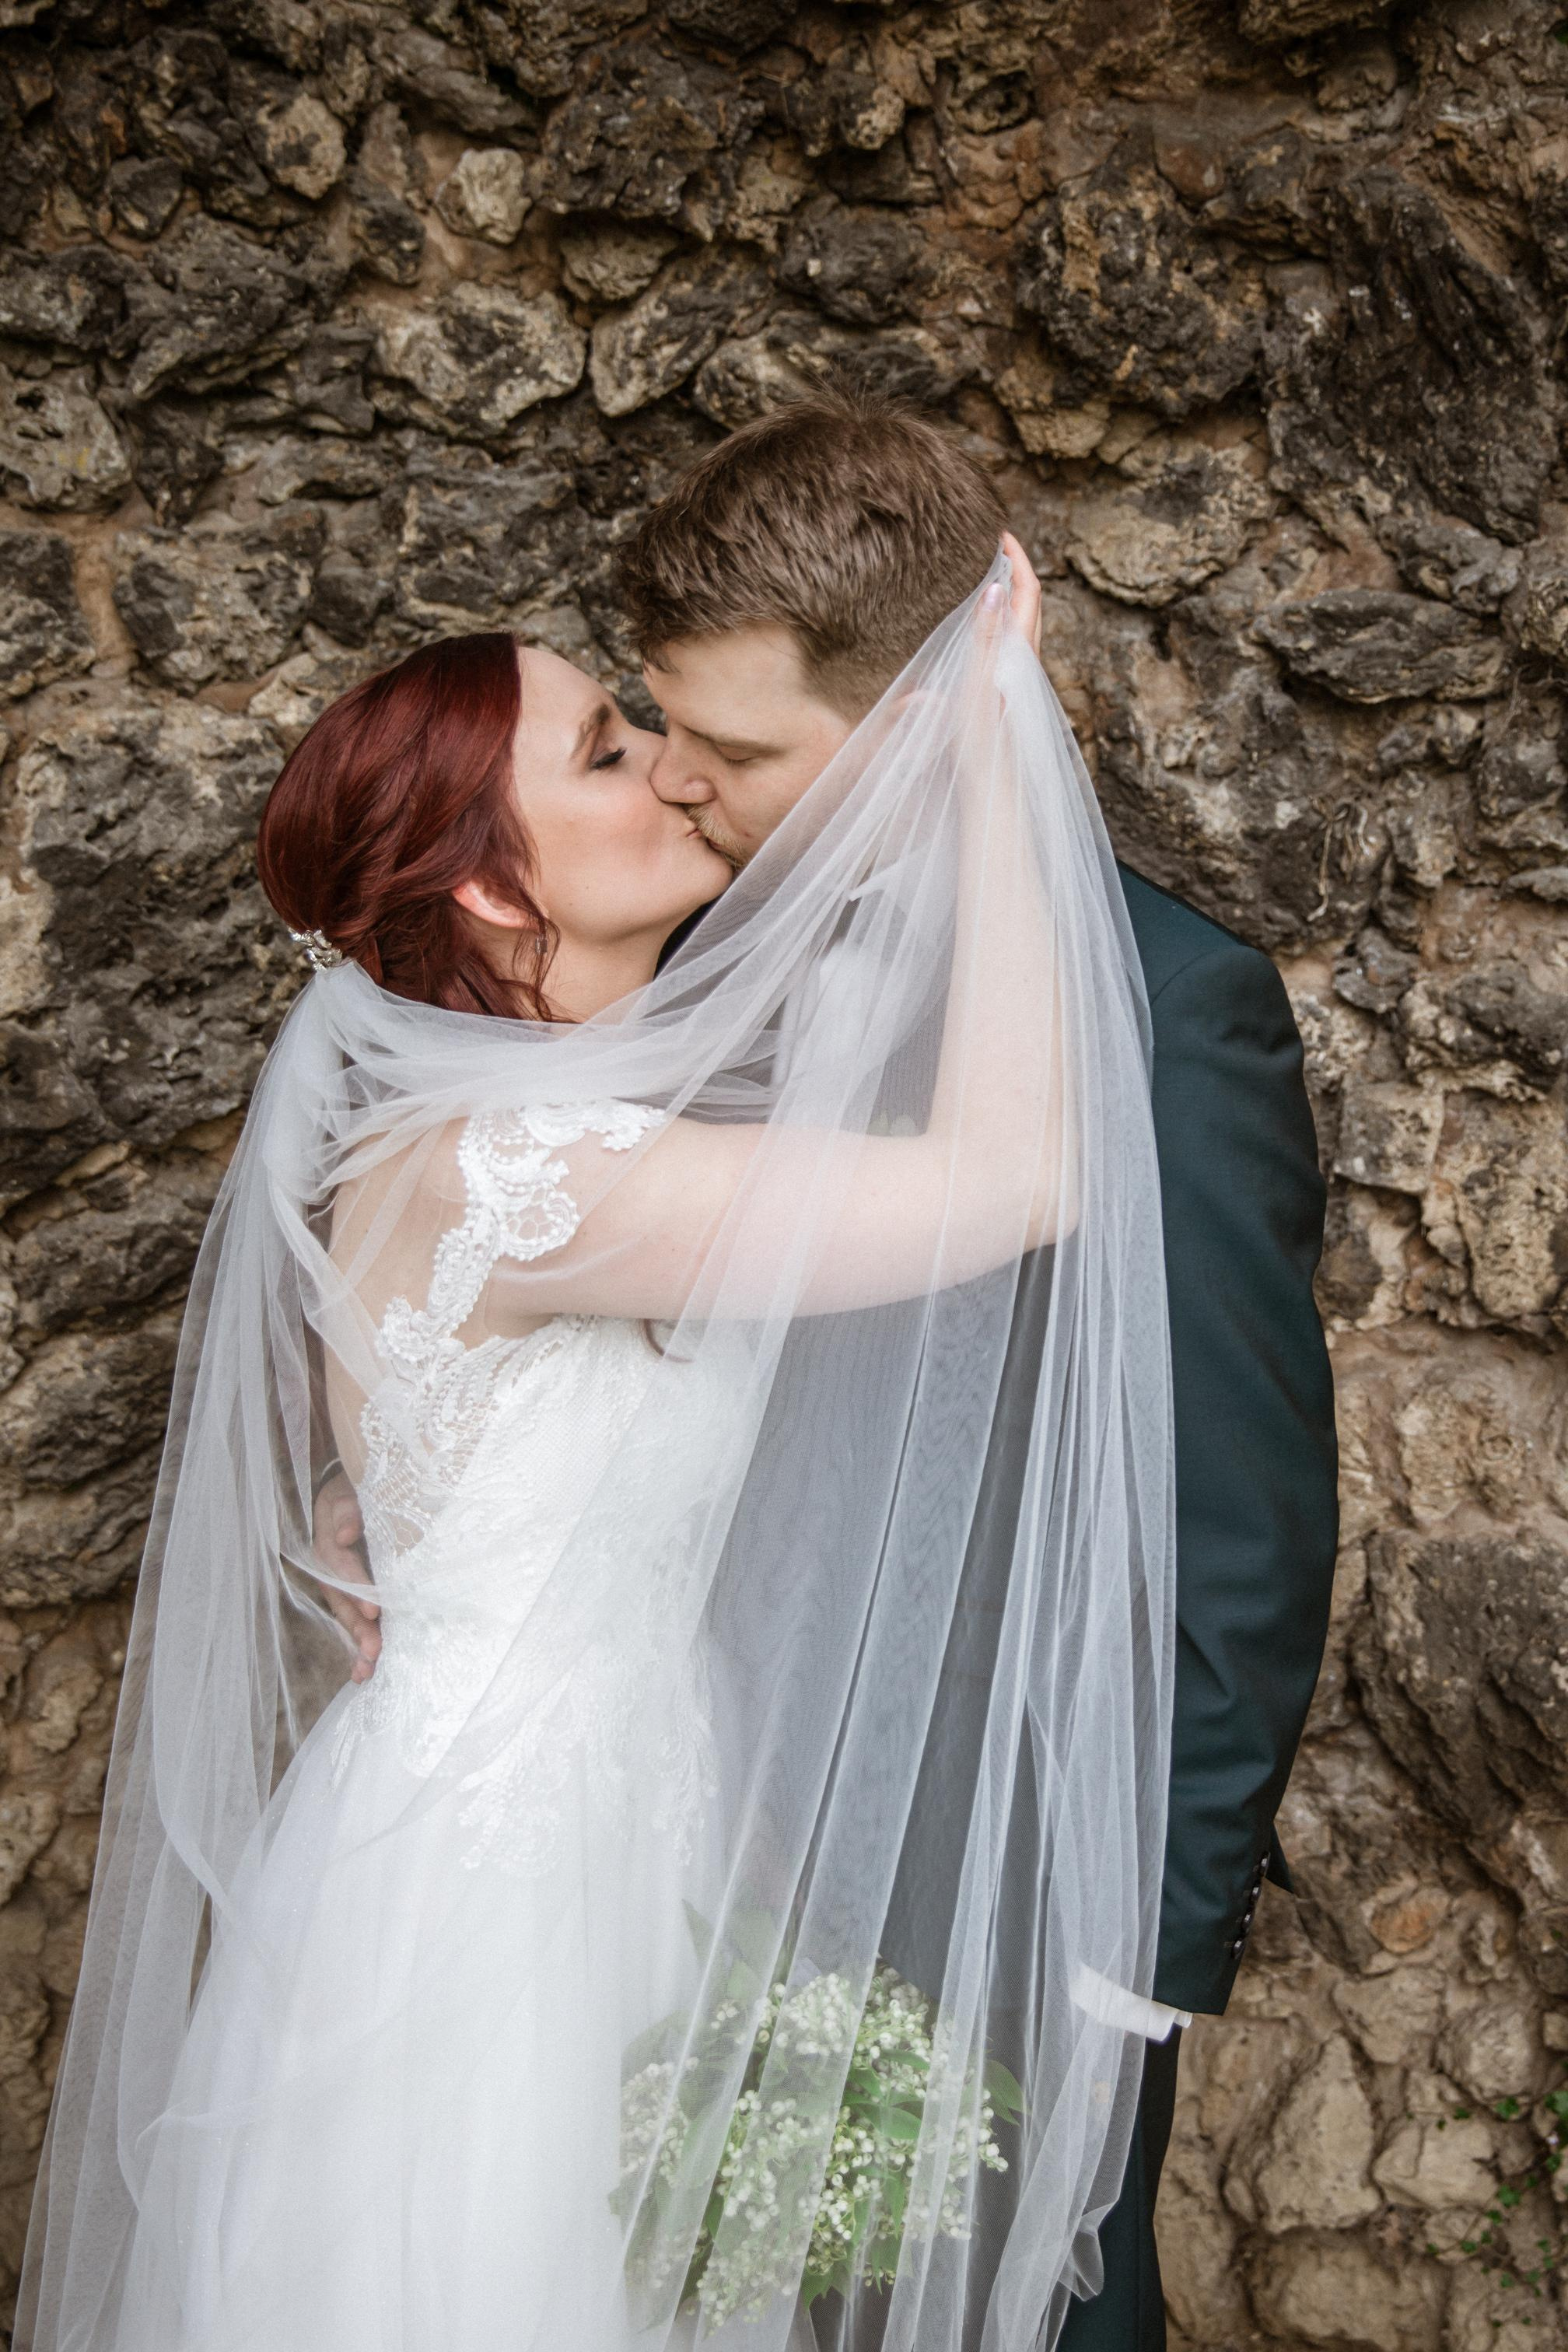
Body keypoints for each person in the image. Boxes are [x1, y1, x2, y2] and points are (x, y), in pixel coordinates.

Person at [19, 514, 1181, 2350]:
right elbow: (1016, 1175)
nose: (671, 764)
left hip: (630, 1817)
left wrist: (357, 1512)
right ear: (494, 890)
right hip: (501, 1899)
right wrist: (981, 735)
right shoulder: (529, 1170)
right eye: (606, 749)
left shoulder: (550, 1128)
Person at [317, 385, 1339, 2348]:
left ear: (920, 721)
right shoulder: (670, 980)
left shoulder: (1177, 1014)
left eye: (730, 750)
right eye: (652, 735)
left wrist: (1143, 1963)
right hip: (662, 1849)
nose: (683, 792)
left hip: (1011, 1889)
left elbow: (1242, 1524)